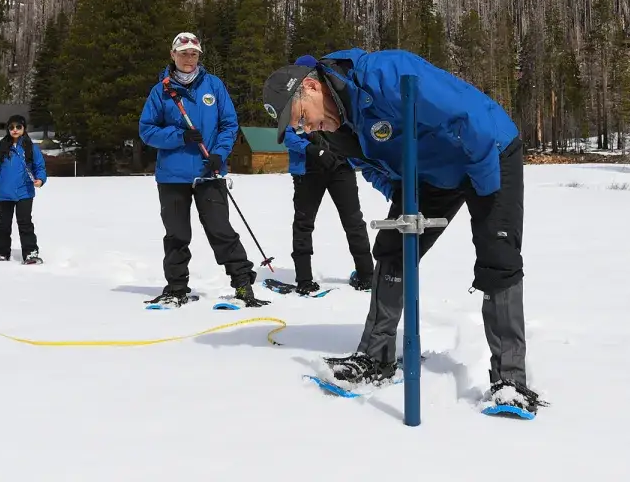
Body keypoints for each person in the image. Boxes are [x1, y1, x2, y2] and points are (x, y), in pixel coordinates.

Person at [262, 48, 541, 414]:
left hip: (488, 152)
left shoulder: (385, 74)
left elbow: (466, 117)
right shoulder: (335, 130)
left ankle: (510, 381)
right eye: (297, 127)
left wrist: (486, 194)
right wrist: (401, 195)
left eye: (301, 117)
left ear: (312, 87)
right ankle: (375, 357)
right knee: (393, 247)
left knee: (497, 255)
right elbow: (371, 165)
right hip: (431, 173)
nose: (305, 129)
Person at [138, 32, 268, 308]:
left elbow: (229, 124)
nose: (189, 58)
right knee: (177, 235)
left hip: (209, 172)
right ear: (173, 55)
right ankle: (176, 288)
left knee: (221, 230)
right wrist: (180, 136)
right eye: (183, 53)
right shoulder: (161, 91)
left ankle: (242, 284)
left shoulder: (214, 85)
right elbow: (147, 130)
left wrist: (220, 154)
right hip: (173, 176)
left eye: (193, 54)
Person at [282, 54, 374, 295]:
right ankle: (304, 279)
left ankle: (367, 275)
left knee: (353, 221)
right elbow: (287, 135)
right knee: (303, 223)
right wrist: (311, 149)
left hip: (341, 166)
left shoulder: (336, 99)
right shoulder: (293, 101)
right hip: (307, 169)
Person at [0, 114, 47, 264]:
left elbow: (40, 167)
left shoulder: (31, 148)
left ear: (24, 128)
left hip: (25, 192)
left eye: (18, 127)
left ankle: (30, 254)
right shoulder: (0, 148)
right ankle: (1, 253)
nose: (15, 130)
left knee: (25, 223)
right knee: (3, 224)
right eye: (11, 127)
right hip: (4, 193)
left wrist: (40, 179)